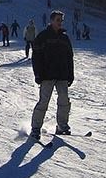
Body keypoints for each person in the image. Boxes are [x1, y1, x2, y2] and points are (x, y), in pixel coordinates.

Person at [30, 10, 74, 139]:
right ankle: (36, 127)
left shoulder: (64, 38)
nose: (60, 23)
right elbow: (36, 56)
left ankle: (62, 125)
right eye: (57, 20)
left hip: (62, 75)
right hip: (47, 75)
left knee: (64, 101)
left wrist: (70, 75)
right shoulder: (43, 36)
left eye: (61, 20)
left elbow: (69, 57)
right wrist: (38, 74)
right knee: (44, 101)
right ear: (51, 21)